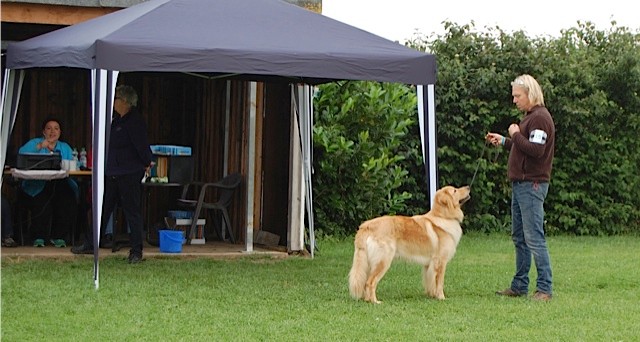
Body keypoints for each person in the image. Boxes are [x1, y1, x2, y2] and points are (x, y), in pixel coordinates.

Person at [486, 74, 555, 302]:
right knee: (520, 237)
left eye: (517, 95)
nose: (514, 100)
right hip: (521, 184)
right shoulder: (530, 118)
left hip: (531, 185)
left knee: (534, 236)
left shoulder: (540, 119)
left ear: (530, 94)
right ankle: (519, 285)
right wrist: (505, 141)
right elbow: (524, 148)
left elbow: (536, 150)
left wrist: (514, 134)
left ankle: (544, 288)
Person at [72, 85, 152, 264]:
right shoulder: (116, 121)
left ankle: (136, 251)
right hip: (113, 172)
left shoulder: (134, 121)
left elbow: (142, 146)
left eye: (116, 99)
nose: (114, 102)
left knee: (132, 212)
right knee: (103, 209)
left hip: (130, 172)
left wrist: (147, 162)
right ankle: (91, 243)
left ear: (125, 102)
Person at [18, 118, 78, 247]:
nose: (52, 131)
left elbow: (75, 164)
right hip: (38, 185)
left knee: (67, 198)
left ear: (60, 132)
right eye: (49, 128)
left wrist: (55, 152)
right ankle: (39, 236)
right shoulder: (35, 143)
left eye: (56, 128)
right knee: (41, 201)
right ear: (43, 132)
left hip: (60, 184)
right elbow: (21, 155)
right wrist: (40, 146)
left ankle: (59, 236)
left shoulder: (64, 147)